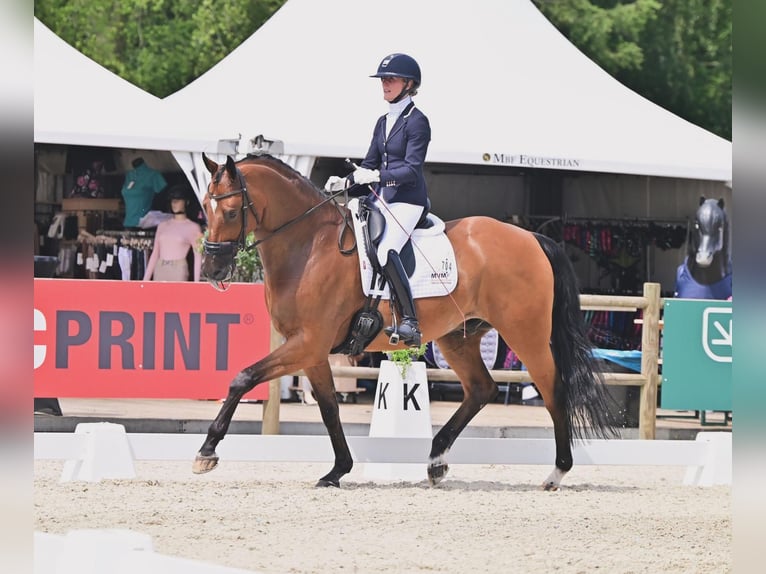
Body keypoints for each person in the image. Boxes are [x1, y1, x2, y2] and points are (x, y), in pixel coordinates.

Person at [325, 53, 431, 347]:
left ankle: (411, 321)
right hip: (382, 199)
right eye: (383, 79)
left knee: (385, 251)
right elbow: (369, 164)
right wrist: (345, 183)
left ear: (409, 84)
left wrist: (375, 177)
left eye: (391, 79)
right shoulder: (383, 121)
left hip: (408, 200)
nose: (385, 84)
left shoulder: (417, 122)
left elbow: (411, 169)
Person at [143, 185, 203, 282]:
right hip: (160, 268)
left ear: (186, 202)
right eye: (172, 200)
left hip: (178, 269)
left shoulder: (193, 227)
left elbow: (198, 256)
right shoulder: (162, 225)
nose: (174, 203)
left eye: (178, 200)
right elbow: (155, 253)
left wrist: (197, 283)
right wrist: (145, 281)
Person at [121, 156, 167, 229]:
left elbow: (162, 194)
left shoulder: (153, 175)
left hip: (145, 223)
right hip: (128, 223)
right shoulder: (130, 175)